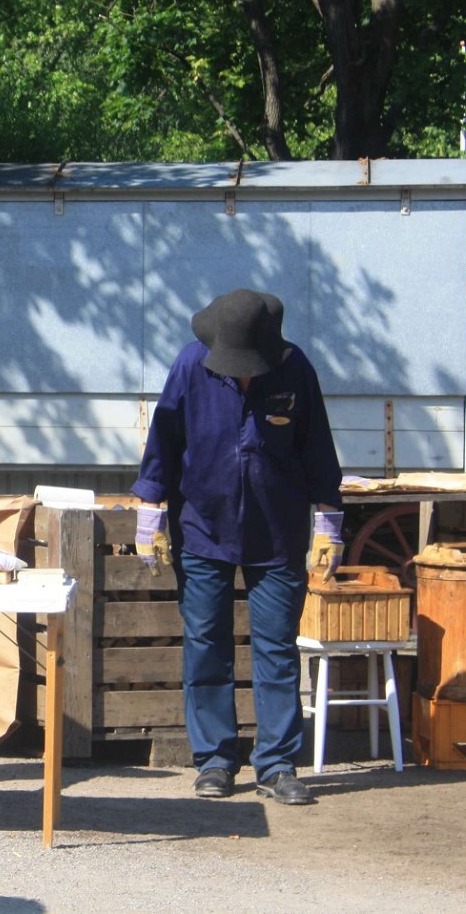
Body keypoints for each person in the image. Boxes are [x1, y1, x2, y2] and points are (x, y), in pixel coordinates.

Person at [132, 289, 342, 806]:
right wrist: (149, 511)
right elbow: (164, 440)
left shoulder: (296, 370)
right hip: (202, 527)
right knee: (206, 643)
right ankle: (215, 761)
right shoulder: (189, 365)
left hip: (278, 531)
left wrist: (329, 522)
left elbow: (318, 447)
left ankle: (276, 764)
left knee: (276, 648)